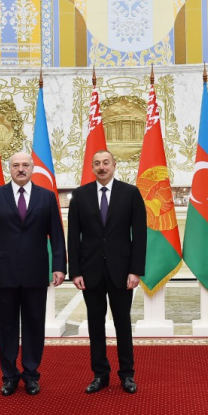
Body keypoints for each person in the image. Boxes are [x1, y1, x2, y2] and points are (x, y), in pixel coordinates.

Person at [0, 152, 66, 396]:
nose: (21, 169)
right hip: (3, 273)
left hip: (36, 272)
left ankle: (31, 375)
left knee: (34, 326)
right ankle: (9, 376)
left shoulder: (47, 197)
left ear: (33, 168)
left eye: (25, 165)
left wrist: (59, 266)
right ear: (10, 169)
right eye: (16, 165)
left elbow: (57, 235)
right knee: (6, 327)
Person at [67, 150, 147, 394]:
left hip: (122, 272)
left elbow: (140, 235)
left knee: (123, 324)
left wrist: (136, 271)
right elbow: (73, 236)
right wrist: (75, 272)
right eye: (97, 164)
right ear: (92, 167)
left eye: (106, 163)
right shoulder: (80, 196)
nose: (102, 167)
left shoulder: (131, 193)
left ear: (114, 165)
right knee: (95, 324)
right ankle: (100, 375)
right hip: (90, 271)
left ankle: (127, 375)